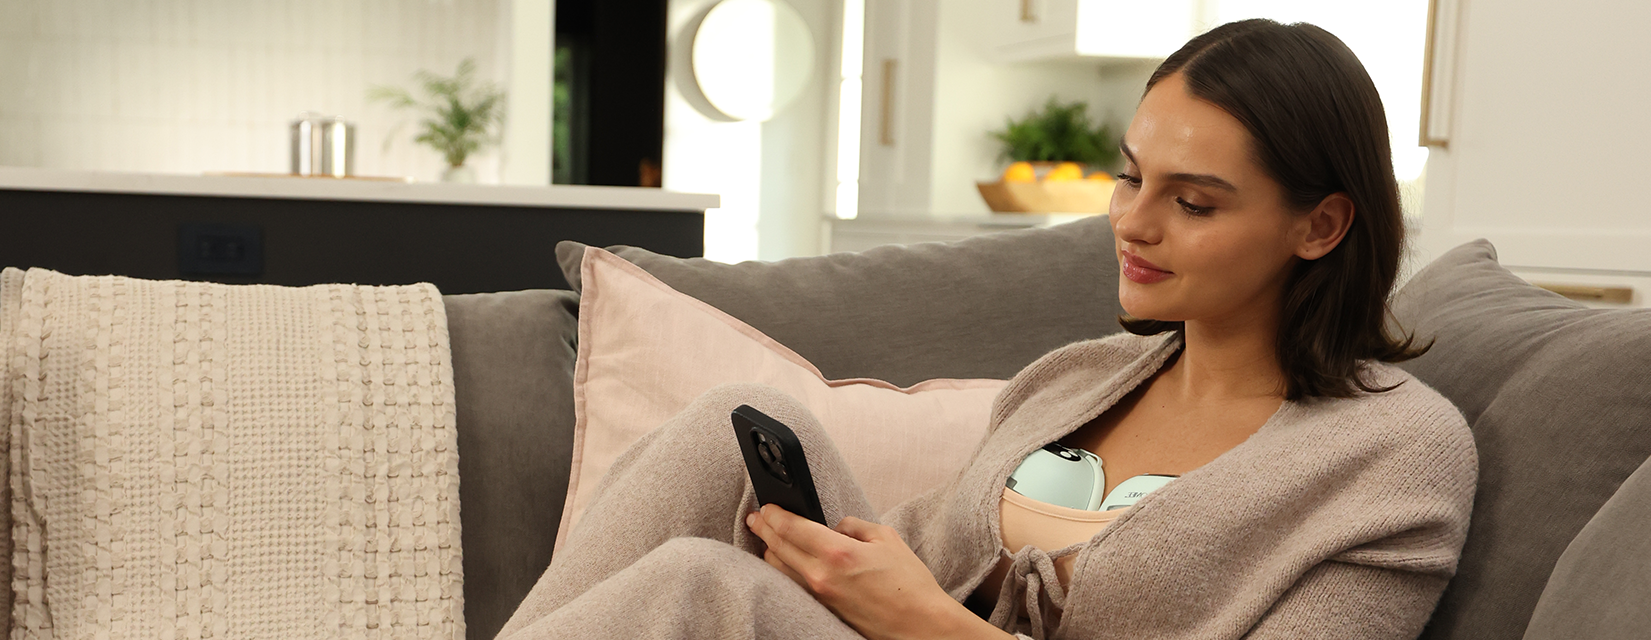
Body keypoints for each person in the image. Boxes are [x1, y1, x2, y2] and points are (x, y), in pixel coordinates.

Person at [499, 19, 1476, 640]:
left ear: (1321, 225)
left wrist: (928, 625)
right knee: (736, 422)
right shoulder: (1076, 377)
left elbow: (922, 610)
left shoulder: (1393, 455)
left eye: (1194, 202)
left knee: (707, 588)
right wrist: (843, 572)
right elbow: (923, 552)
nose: (1131, 222)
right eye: (1131, 176)